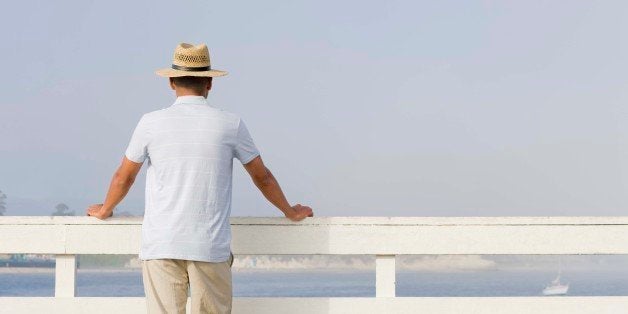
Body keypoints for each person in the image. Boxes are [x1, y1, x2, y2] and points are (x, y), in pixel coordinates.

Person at [86, 42, 313, 314]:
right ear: (210, 83)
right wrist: (290, 211)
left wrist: (105, 209)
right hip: (209, 245)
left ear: (171, 81)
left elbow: (124, 177)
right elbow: (262, 177)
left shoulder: (150, 122)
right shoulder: (230, 123)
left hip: (162, 244)